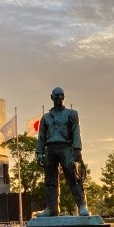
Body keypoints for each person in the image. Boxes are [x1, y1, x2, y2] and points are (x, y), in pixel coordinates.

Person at [35, 86, 89, 216]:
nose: (59, 98)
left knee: (73, 177)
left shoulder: (71, 114)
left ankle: (82, 206)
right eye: (56, 95)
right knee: (50, 180)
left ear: (64, 97)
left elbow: (76, 132)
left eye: (61, 95)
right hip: (50, 149)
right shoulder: (46, 117)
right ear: (52, 97)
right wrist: (39, 153)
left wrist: (77, 150)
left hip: (66, 148)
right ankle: (51, 208)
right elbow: (41, 136)